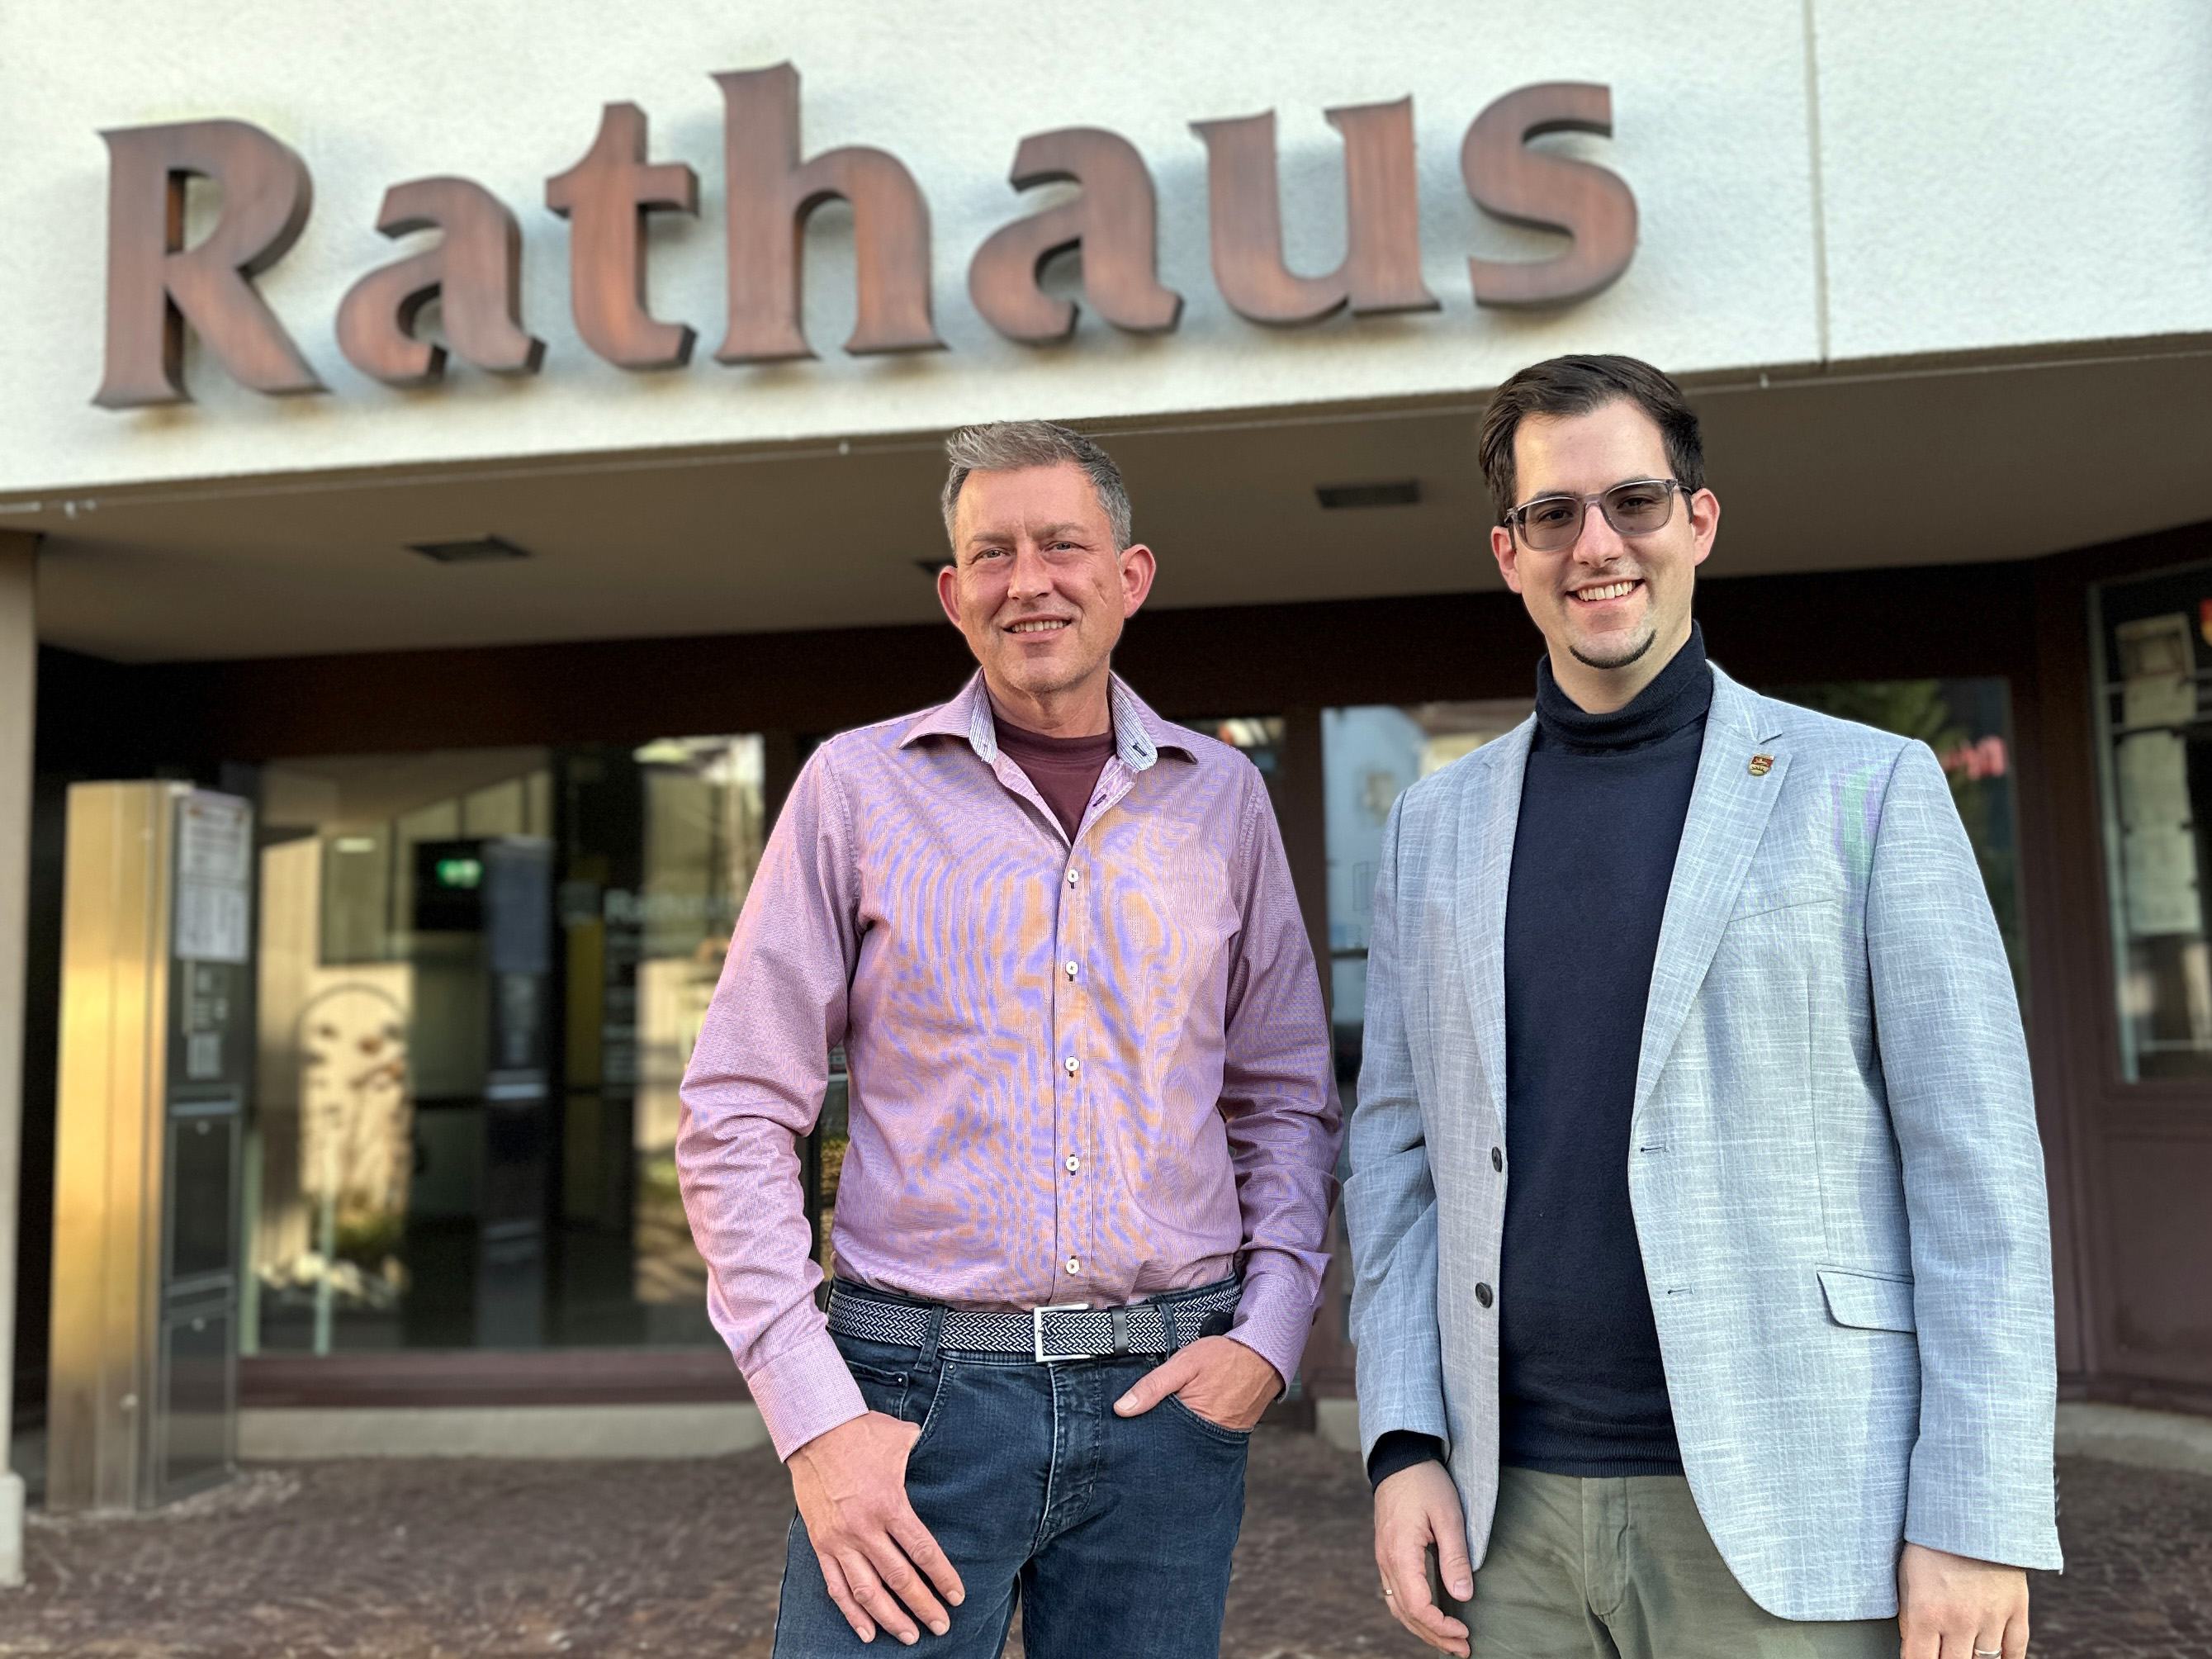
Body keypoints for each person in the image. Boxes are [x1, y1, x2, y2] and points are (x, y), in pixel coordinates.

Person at [1345, 354, 2060, 1659]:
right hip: (1510, 1526)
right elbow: (1395, 1156)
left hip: (1799, 1506)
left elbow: (1979, 1176)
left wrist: (1978, 1508)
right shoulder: (1433, 826)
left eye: (1634, 501)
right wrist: (1402, 1440)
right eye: (1554, 514)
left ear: (1699, 521)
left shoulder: (1870, 788)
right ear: (1509, 553)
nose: (1597, 544)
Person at [676, 419, 1339, 1657]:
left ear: (1130, 577)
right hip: (912, 1405)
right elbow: (735, 1112)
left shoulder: (1226, 799)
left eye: (1061, 545)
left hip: (1170, 1398)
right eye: (992, 553)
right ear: (953, 593)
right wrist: (815, 1417)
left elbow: (1285, 1096)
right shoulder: (854, 789)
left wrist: (1270, 1333)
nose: (1028, 580)